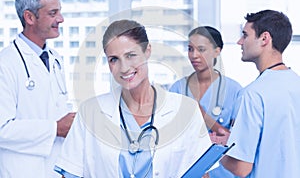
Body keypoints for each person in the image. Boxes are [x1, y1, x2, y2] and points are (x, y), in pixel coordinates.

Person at [54, 19, 214, 177]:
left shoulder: (186, 110)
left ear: (147, 51)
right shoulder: (89, 112)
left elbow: (201, 174)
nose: (124, 68)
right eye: (114, 59)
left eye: (131, 55)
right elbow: (70, 173)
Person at [0, 0, 75, 178]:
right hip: (21, 172)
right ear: (30, 17)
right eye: (53, 13)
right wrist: (55, 128)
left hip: (55, 168)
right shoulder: (5, 63)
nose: (61, 19)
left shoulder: (56, 59)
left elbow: (55, 109)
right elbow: (2, 128)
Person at [220, 9, 300, 177]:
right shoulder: (296, 84)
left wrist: (213, 150)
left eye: (245, 35)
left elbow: (241, 168)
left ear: (264, 38)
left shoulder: (252, 95)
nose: (239, 42)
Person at [169, 26, 242, 178]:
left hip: (221, 173)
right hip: (186, 170)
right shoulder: (177, 88)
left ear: (217, 51)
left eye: (201, 49)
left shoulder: (234, 90)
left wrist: (202, 115)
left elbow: (237, 141)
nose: (194, 55)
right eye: (190, 49)